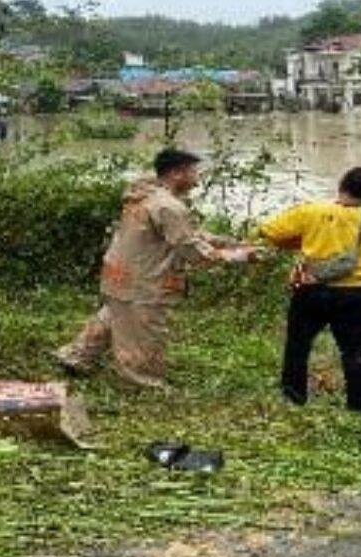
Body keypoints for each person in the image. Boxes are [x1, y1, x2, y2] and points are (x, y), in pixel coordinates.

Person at [56, 148, 253, 387]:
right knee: (146, 333)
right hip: (144, 281)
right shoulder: (168, 206)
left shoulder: (145, 196)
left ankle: (76, 356)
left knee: (113, 316)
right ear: (178, 173)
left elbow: (184, 234)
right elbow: (192, 250)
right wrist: (238, 256)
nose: (197, 177)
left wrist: (228, 242)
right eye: (194, 171)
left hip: (119, 273)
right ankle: (142, 381)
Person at [257, 166, 361, 414]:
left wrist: (299, 243)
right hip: (355, 293)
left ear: (341, 185)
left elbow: (269, 232)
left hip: (310, 289)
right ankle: (359, 409)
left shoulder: (311, 211)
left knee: (298, 346)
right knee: (355, 352)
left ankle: (294, 399)